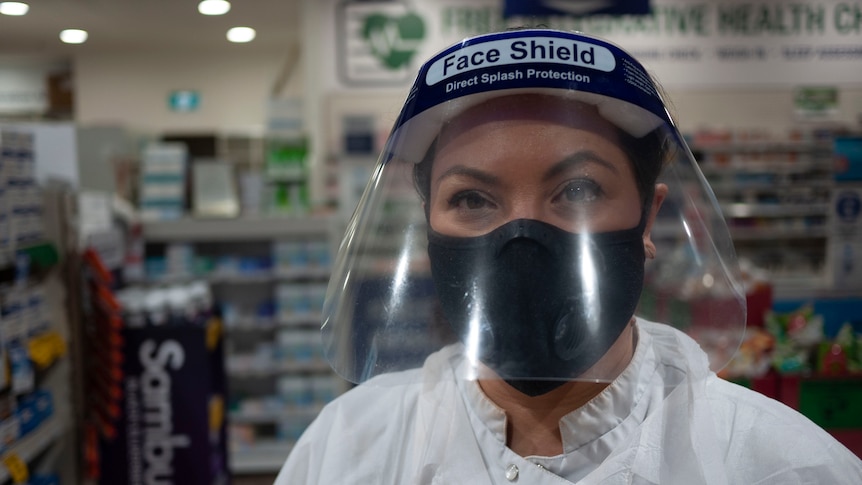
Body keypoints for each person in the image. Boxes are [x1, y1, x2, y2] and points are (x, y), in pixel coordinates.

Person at [275, 29, 862, 484]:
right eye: (472, 198)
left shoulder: (777, 464)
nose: (522, 238)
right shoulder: (347, 448)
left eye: (578, 192)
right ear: (428, 223)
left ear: (648, 219)